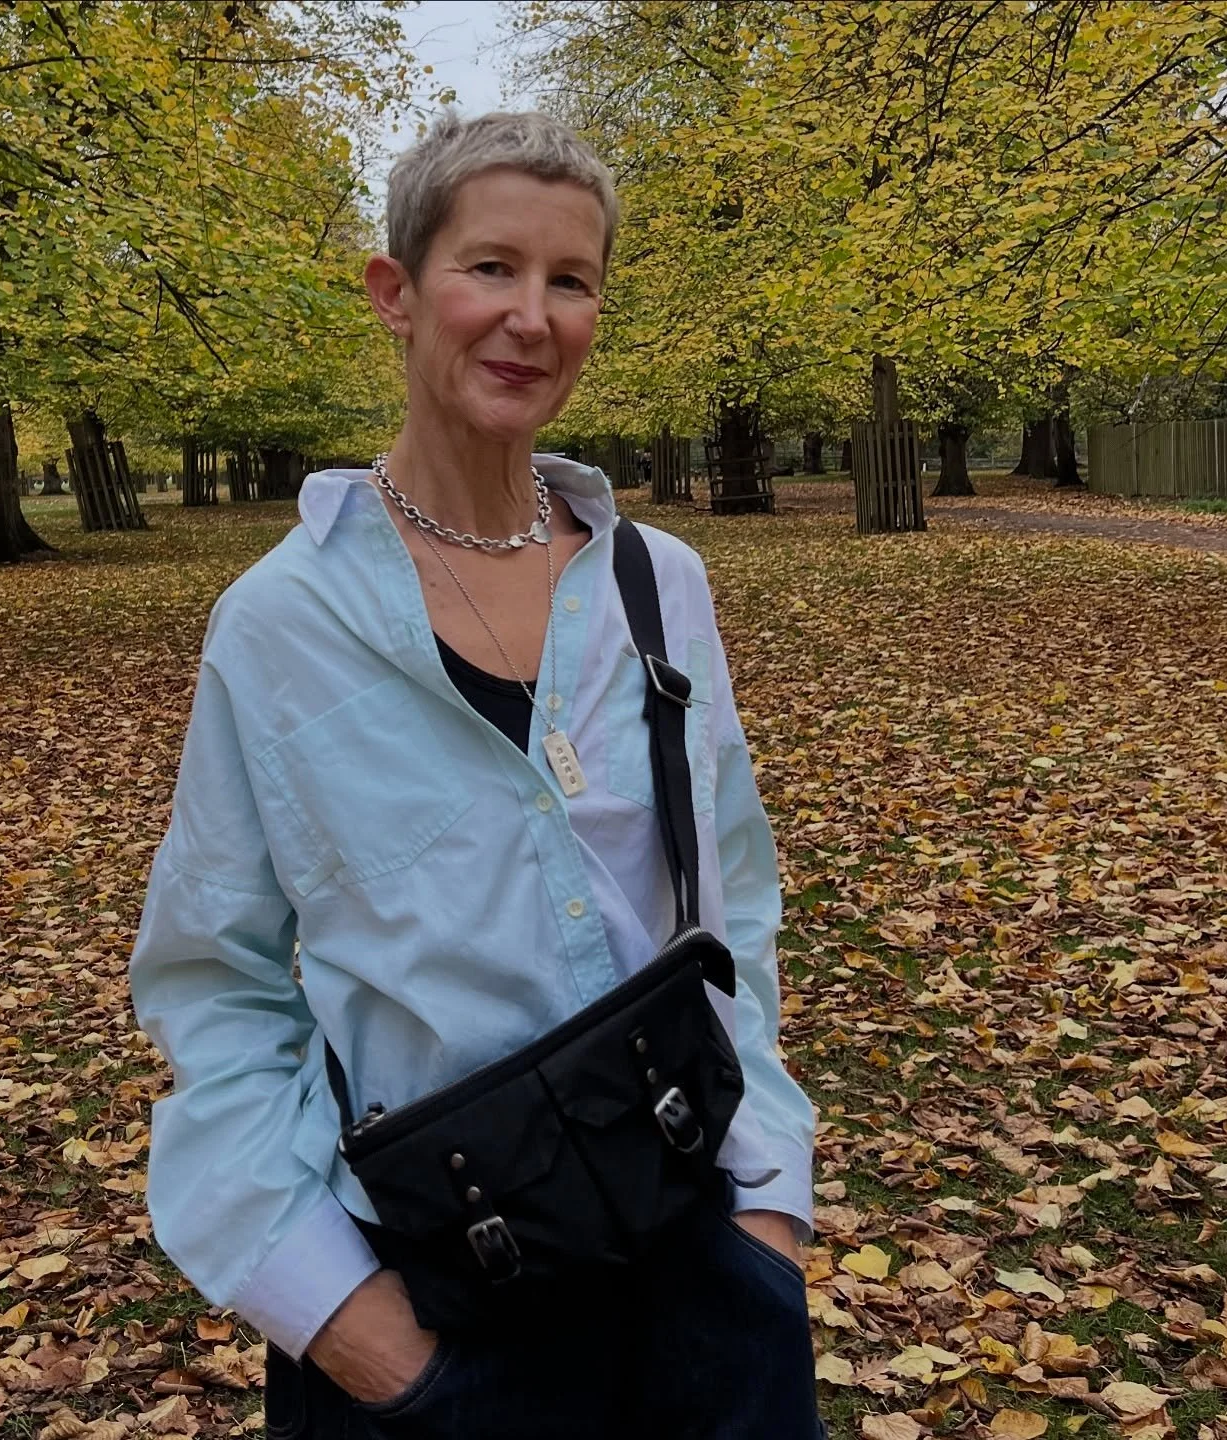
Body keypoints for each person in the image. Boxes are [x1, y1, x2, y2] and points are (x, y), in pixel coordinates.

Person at [129, 111, 822, 1438]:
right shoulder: (279, 626)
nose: (530, 316)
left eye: (571, 281)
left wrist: (769, 1214)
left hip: (698, 1269)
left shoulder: (657, 587)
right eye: (490, 268)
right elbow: (213, 979)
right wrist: (345, 1321)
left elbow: (733, 897)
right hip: (428, 1308)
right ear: (397, 293)